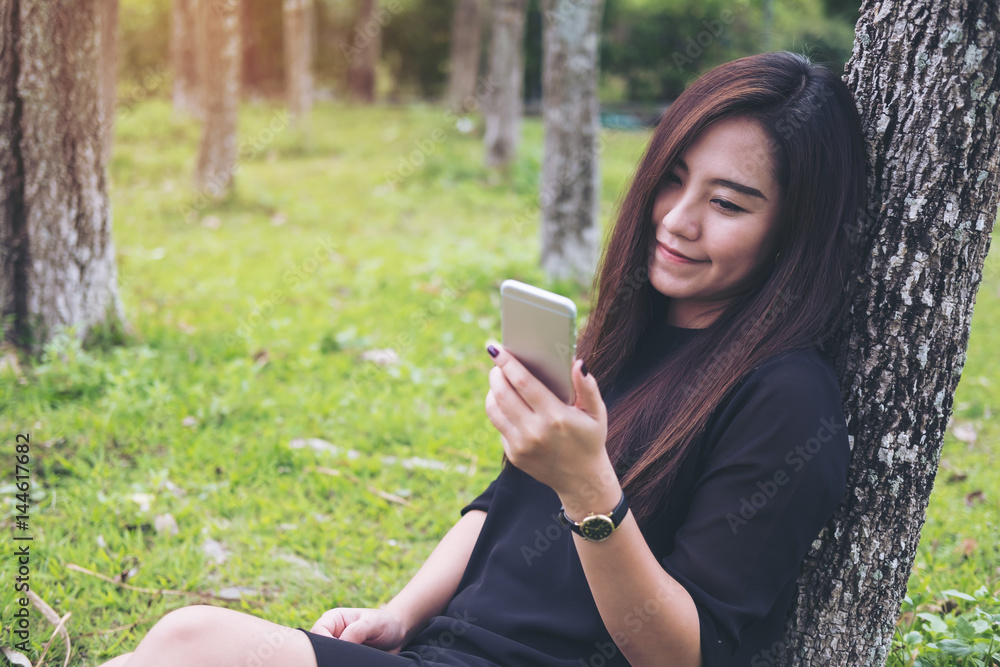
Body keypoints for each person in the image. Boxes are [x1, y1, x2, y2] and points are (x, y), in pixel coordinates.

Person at [97, 49, 867, 667]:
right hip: (444, 649)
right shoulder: (635, 329)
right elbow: (503, 503)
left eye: (728, 203)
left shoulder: (787, 399)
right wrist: (399, 611)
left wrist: (588, 486)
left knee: (188, 642)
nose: (678, 217)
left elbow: (689, 651)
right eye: (672, 176)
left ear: (794, 231)